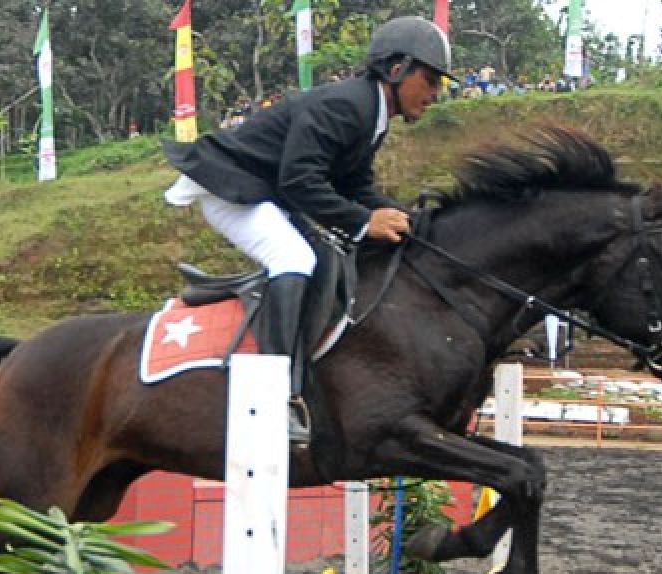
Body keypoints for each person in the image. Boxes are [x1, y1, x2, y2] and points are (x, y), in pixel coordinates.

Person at [163, 15, 452, 445]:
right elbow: (301, 181)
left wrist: (404, 217)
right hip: (231, 188)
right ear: (397, 70)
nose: (434, 95)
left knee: (323, 258)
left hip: (267, 190)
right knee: (294, 259)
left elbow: (354, 186)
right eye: (430, 81)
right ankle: (275, 396)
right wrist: (363, 221)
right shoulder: (348, 105)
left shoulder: (372, 112)